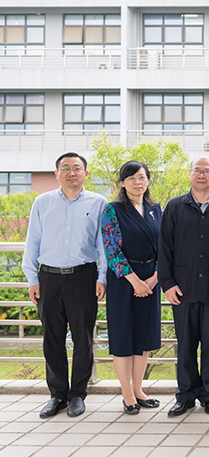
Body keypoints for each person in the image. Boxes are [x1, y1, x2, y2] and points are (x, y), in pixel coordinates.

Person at [22, 152, 107, 419]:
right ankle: (57, 394)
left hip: (84, 277)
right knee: (52, 339)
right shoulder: (42, 202)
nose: (72, 172)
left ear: (86, 173)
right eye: (66, 168)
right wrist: (32, 279)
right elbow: (32, 241)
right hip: (49, 278)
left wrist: (102, 277)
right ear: (56, 173)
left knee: (83, 338)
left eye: (77, 168)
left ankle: (78, 394)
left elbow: (102, 244)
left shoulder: (99, 202)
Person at [158, 156, 209, 416]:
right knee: (186, 346)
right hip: (182, 288)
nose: (201, 175)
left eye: (207, 171)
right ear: (189, 174)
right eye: (197, 170)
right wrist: (167, 284)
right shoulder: (175, 206)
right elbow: (164, 248)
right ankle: (186, 396)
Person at [101, 161, 162, 415]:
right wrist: (135, 281)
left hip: (151, 279)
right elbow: (112, 250)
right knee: (123, 336)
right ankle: (127, 394)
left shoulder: (155, 209)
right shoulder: (112, 210)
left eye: (142, 177)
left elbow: (165, 246)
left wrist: (155, 278)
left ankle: (139, 390)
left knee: (143, 337)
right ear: (122, 182)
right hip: (124, 280)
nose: (138, 182)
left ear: (148, 181)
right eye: (132, 178)